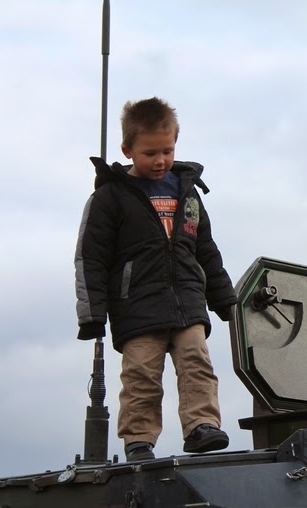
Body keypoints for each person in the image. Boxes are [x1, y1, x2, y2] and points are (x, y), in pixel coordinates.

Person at [74, 97, 237, 461]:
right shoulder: (110, 197)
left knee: (197, 362)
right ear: (128, 150)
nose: (161, 160)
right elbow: (91, 258)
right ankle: (139, 439)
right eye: (150, 153)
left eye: (167, 150)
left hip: (188, 301)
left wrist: (223, 297)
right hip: (137, 306)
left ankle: (202, 426)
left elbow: (205, 248)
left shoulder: (187, 192)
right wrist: (92, 313)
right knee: (142, 374)